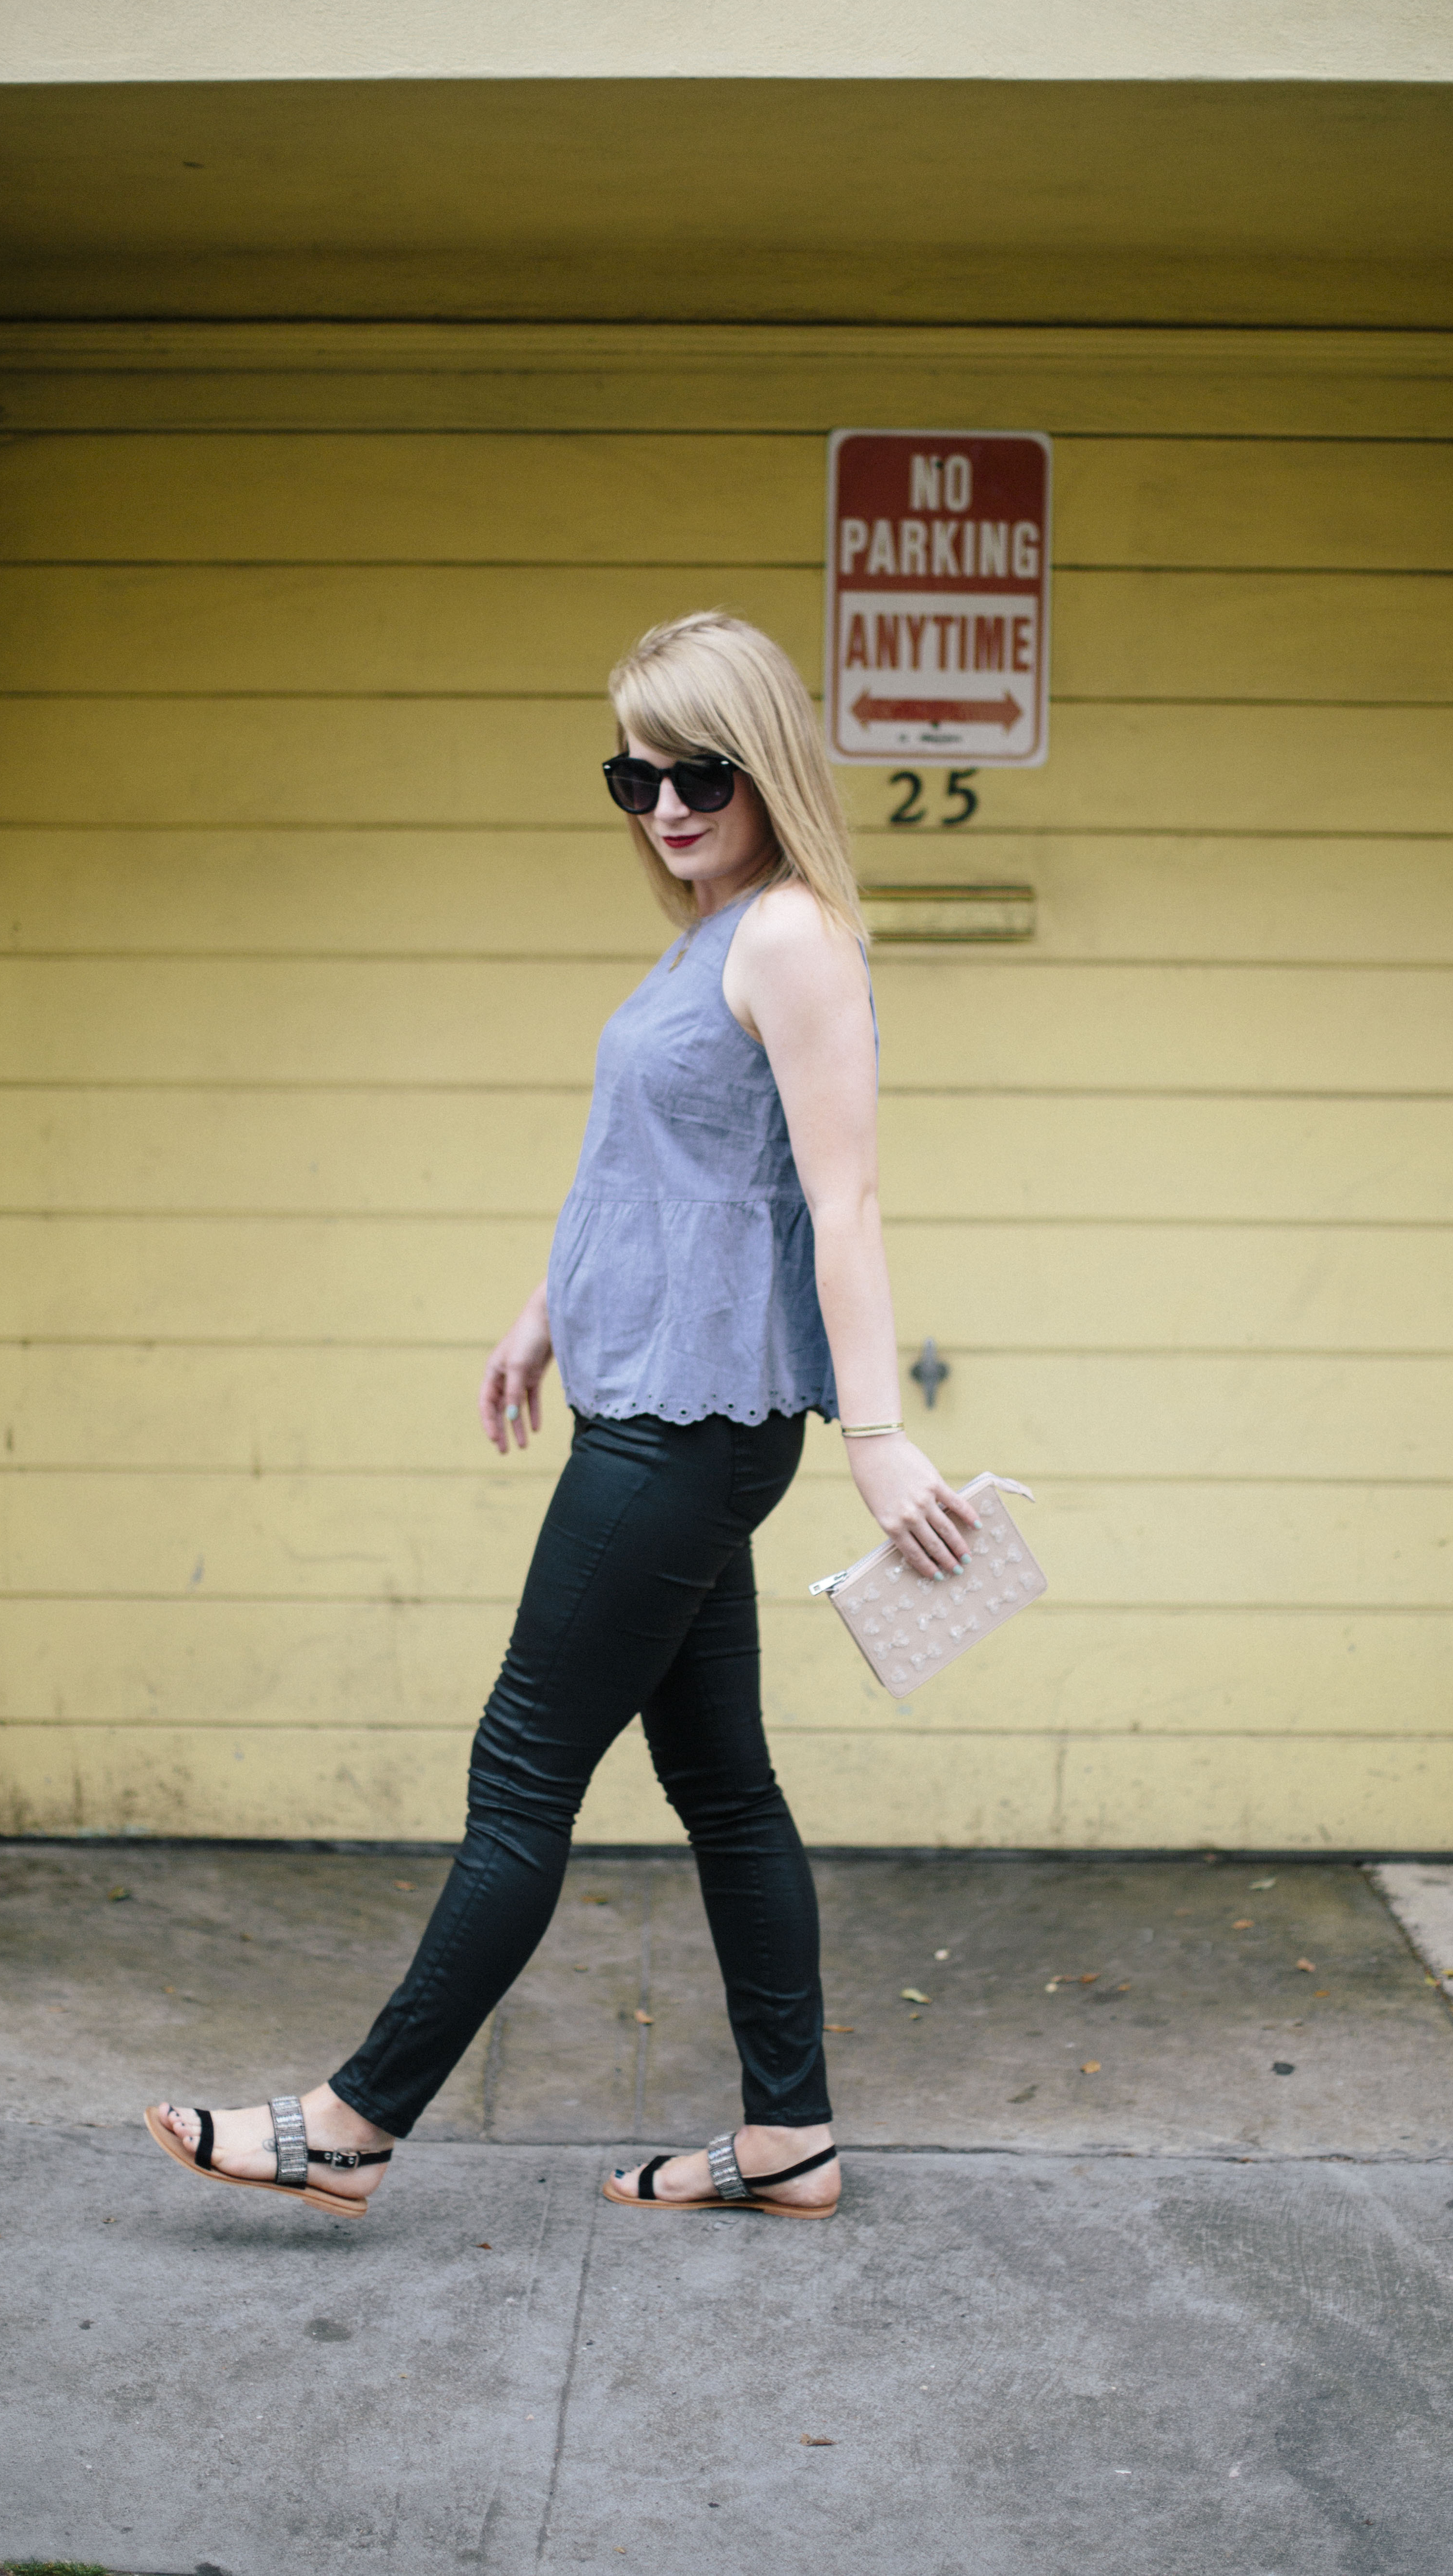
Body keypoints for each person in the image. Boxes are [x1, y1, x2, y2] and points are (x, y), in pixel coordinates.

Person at [146, 609, 981, 2222]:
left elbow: (844, 1198)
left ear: (770, 767)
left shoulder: (792, 936)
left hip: (689, 1430)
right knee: (723, 1782)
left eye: (699, 772)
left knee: (522, 1767)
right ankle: (790, 2133)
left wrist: (879, 1441)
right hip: (657, 1400)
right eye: (634, 775)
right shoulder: (712, 929)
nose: (665, 806)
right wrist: (545, 1313)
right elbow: (661, 1174)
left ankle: (354, 2121)